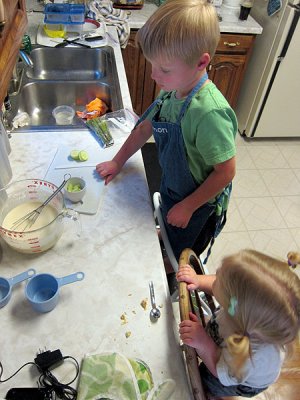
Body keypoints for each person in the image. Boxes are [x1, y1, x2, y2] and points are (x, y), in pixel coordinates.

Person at [96, 0, 237, 260]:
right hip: (173, 188)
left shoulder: (209, 113)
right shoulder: (172, 92)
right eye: (152, 64)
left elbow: (225, 172)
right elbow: (143, 129)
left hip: (197, 205)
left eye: (164, 69)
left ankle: (169, 273)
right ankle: (168, 235)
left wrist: (187, 206)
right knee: (170, 229)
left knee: (179, 256)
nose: (153, 75)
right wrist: (117, 162)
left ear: (200, 62)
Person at [177, 249, 300, 398]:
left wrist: (203, 342)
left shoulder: (252, 356)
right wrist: (198, 280)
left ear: (234, 305)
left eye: (218, 279)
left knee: (207, 379)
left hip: (239, 378)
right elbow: (221, 289)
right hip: (230, 339)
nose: (215, 275)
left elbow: (218, 368)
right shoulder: (245, 310)